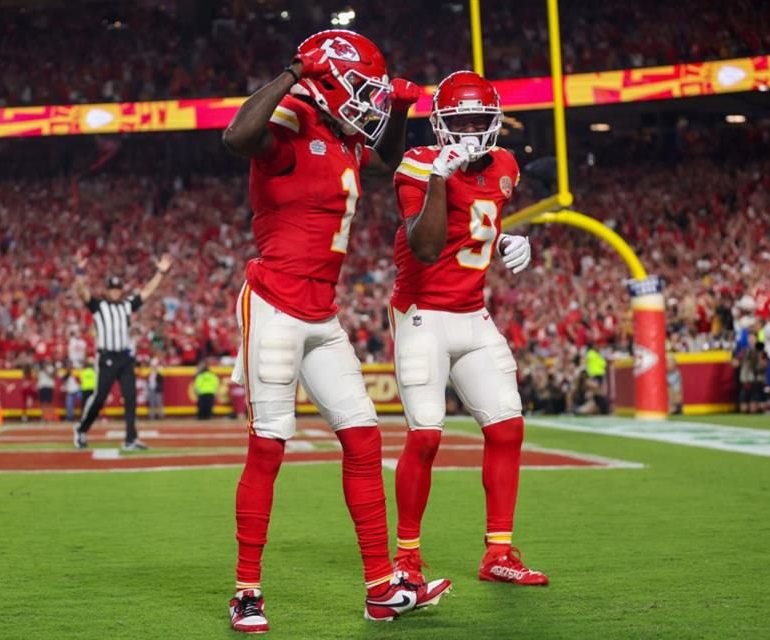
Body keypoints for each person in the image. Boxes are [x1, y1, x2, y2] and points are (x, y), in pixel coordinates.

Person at [221, 29, 447, 632]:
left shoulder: (342, 138)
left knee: (364, 436)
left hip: (322, 314)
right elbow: (238, 135)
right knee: (269, 442)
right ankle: (246, 591)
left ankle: (380, 589)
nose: (368, 101)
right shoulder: (292, 118)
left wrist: (398, 109)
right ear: (327, 80)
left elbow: (391, 163)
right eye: (363, 89)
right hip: (274, 303)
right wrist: (295, 73)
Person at [388, 71, 547, 589]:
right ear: (440, 125)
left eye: (481, 119)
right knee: (427, 434)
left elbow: (481, 220)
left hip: (472, 313)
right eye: (462, 121)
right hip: (421, 315)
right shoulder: (417, 164)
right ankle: (407, 558)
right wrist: (439, 176)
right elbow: (427, 245)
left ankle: (498, 551)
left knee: (507, 425)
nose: (474, 130)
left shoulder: (504, 164)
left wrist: (504, 242)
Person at [72, 252, 173, 451]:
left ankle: (130, 438)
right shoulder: (99, 306)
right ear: (108, 290)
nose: (116, 292)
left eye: (118, 289)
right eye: (113, 289)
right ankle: (81, 429)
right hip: (107, 357)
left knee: (131, 397)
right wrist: (80, 270)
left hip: (125, 358)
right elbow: (82, 291)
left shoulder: (126, 306)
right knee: (100, 398)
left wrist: (160, 273)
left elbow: (146, 292)